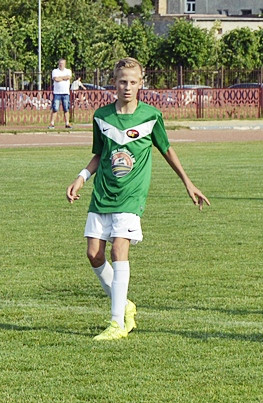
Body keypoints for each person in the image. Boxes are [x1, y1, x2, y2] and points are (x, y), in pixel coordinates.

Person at [66, 57, 209, 341]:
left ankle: (117, 322)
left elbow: (167, 150)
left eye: (133, 82)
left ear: (141, 83)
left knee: (119, 249)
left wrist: (187, 182)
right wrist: (81, 176)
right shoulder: (102, 116)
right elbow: (99, 154)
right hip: (103, 193)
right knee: (93, 254)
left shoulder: (151, 116)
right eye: (122, 82)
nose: (127, 87)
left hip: (131, 197)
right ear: (114, 83)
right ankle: (125, 304)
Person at [49, 58, 73, 129]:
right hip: (57, 93)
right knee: (55, 108)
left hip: (65, 93)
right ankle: (52, 123)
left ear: (65, 64)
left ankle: (67, 123)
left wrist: (60, 78)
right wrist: (63, 78)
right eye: (60, 63)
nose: (61, 65)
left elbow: (68, 77)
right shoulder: (55, 71)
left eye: (62, 63)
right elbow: (55, 79)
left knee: (66, 109)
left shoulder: (68, 71)